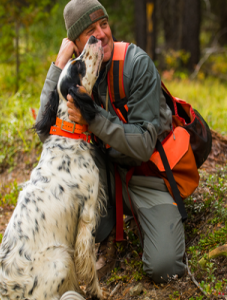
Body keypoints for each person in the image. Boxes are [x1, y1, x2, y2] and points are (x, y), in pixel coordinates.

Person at [36, 0, 186, 284]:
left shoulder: (136, 64)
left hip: (147, 175)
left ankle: (145, 220)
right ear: (76, 44)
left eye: (104, 24)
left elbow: (143, 145)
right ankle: (107, 235)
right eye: (91, 31)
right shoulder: (75, 70)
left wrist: (91, 119)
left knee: (164, 267)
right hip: (104, 176)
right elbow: (47, 134)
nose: (102, 34)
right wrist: (58, 65)